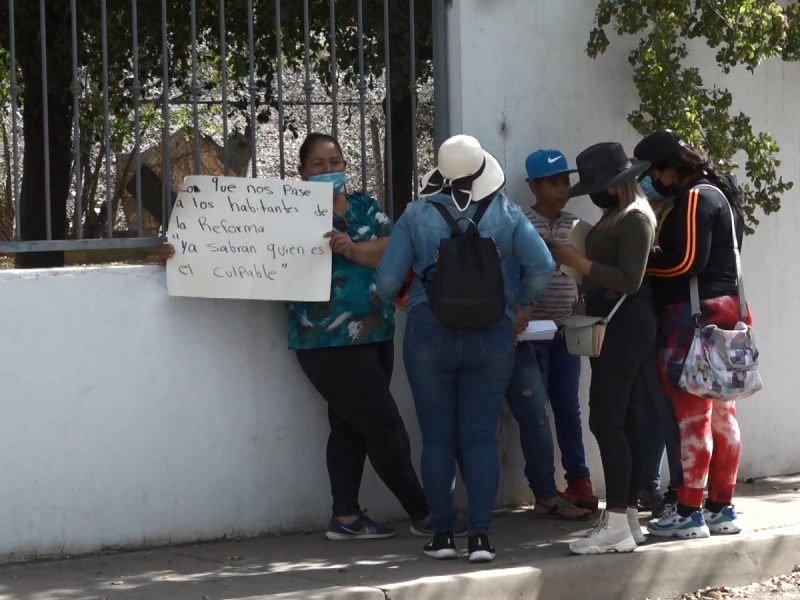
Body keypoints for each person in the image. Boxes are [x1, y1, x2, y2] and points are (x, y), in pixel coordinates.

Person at [160, 132, 434, 541]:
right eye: (319, 165)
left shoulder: (364, 206)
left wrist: (354, 249)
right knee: (384, 426)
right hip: (325, 343)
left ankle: (346, 518)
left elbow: (395, 246)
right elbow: (228, 242)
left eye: (336, 162)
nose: (329, 170)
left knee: (348, 427)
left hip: (376, 335)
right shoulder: (283, 212)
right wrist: (181, 249)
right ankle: (425, 515)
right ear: (302, 172)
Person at [376, 135, 555, 563]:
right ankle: (480, 538)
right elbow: (544, 266)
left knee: (436, 438)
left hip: (428, 332)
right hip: (492, 332)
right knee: (479, 438)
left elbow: (386, 283)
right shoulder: (508, 213)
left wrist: (402, 298)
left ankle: (441, 537)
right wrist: (520, 305)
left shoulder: (416, 214)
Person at [635, 130, 750, 538]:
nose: (650, 181)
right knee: (723, 414)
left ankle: (688, 512)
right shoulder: (723, 193)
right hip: (730, 311)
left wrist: (640, 266)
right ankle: (722, 508)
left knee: (691, 417)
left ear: (666, 170)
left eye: (650, 173)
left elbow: (686, 261)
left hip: (692, 318)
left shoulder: (695, 197)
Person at [545, 142, 656, 555]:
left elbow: (629, 279)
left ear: (616, 185)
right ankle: (625, 521)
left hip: (625, 325)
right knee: (620, 421)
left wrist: (579, 259)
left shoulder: (635, 219)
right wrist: (577, 265)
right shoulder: (615, 216)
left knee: (606, 421)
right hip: (613, 322)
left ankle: (616, 523)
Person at [521, 149, 597, 513]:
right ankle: (544, 489)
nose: (562, 189)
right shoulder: (519, 223)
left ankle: (579, 479)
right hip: (530, 335)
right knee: (536, 412)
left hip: (566, 331)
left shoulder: (576, 226)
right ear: (533, 186)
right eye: (553, 182)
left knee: (568, 406)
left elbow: (583, 276)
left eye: (565, 182)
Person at [636, 175, 683, 516]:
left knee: (668, 411)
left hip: (666, 326)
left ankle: (678, 489)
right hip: (650, 325)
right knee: (653, 409)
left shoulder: (670, 220)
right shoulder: (654, 218)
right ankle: (649, 486)